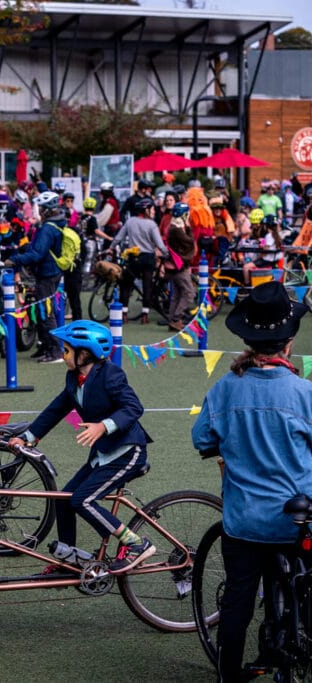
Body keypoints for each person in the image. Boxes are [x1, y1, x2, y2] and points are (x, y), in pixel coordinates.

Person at [192, 281, 312, 682]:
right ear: (289, 342)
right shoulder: (303, 392)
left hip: (243, 519)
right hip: (296, 518)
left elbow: (201, 439)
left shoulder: (225, 388)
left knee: (238, 602)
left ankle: (228, 674)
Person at [9, 320, 155, 572]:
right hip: (104, 454)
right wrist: (28, 437)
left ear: (84, 354)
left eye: (66, 350)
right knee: (65, 500)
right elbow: (56, 409)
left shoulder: (111, 375)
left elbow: (133, 407)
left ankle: (135, 543)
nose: (63, 354)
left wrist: (103, 426)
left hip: (128, 451)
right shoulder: (73, 378)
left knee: (82, 500)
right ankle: (71, 558)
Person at [6, 192, 66, 363]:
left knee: (45, 312)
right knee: (42, 310)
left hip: (47, 272)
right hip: (51, 271)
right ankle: (45, 346)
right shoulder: (56, 223)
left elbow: (38, 254)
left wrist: (14, 259)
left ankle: (55, 351)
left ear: (45, 209)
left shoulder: (47, 228)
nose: (36, 211)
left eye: (38, 207)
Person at [111, 197, 166, 324]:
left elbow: (119, 237)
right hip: (148, 258)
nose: (153, 211)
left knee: (126, 285)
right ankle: (144, 315)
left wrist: (111, 247)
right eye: (152, 209)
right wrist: (166, 253)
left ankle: (124, 313)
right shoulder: (152, 224)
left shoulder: (130, 222)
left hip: (134, 257)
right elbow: (159, 244)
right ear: (146, 210)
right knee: (147, 285)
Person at [164, 203, 196, 331]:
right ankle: (177, 318)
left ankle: (172, 320)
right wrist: (188, 228)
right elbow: (189, 242)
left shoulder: (173, 227)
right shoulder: (177, 229)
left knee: (177, 294)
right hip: (179, 265)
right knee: (189, 293)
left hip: (175, 264)